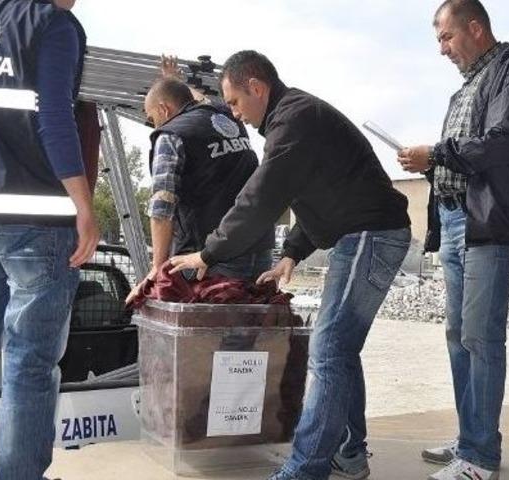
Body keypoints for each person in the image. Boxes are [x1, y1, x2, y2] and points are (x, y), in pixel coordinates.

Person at [169, 50, 412, 480]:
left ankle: (306, 469)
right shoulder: (294, 119)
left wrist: (208, 253)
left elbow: (262, 197)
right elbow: (314, 193)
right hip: (362, 234)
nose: (233, 112)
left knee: (330, 350)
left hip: (370, 235)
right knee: (339, 349)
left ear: (257, 87)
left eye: (235, 102)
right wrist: (292, 253)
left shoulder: (294, 120)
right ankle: (350, 454)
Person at [0, 0, 99, 479]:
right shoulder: (53, 25)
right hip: (38, 220)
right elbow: (54, 116)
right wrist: (83, 207)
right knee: (28, 363)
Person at [398, 1, 509, 479]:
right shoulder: (467, 88)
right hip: (455, 221)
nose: (442, 50)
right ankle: (470, 436)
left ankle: (480, 458)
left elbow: (503, 141)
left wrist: (437, 152)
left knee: (481, 336)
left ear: (475, 28)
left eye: (447, 38)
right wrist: (431, 162)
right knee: (457, 336)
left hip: (489, 224)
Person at [126, 71, 273, 302]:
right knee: (250, 327)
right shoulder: (227, 116)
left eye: (151, 117)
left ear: (164, 110)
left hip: (211, 256)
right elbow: (200, 101)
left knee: (210, 331)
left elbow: (162, 206)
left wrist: (157, 269)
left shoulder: (171, 135)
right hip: (260, 245)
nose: (152, 123)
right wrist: (175, 81)